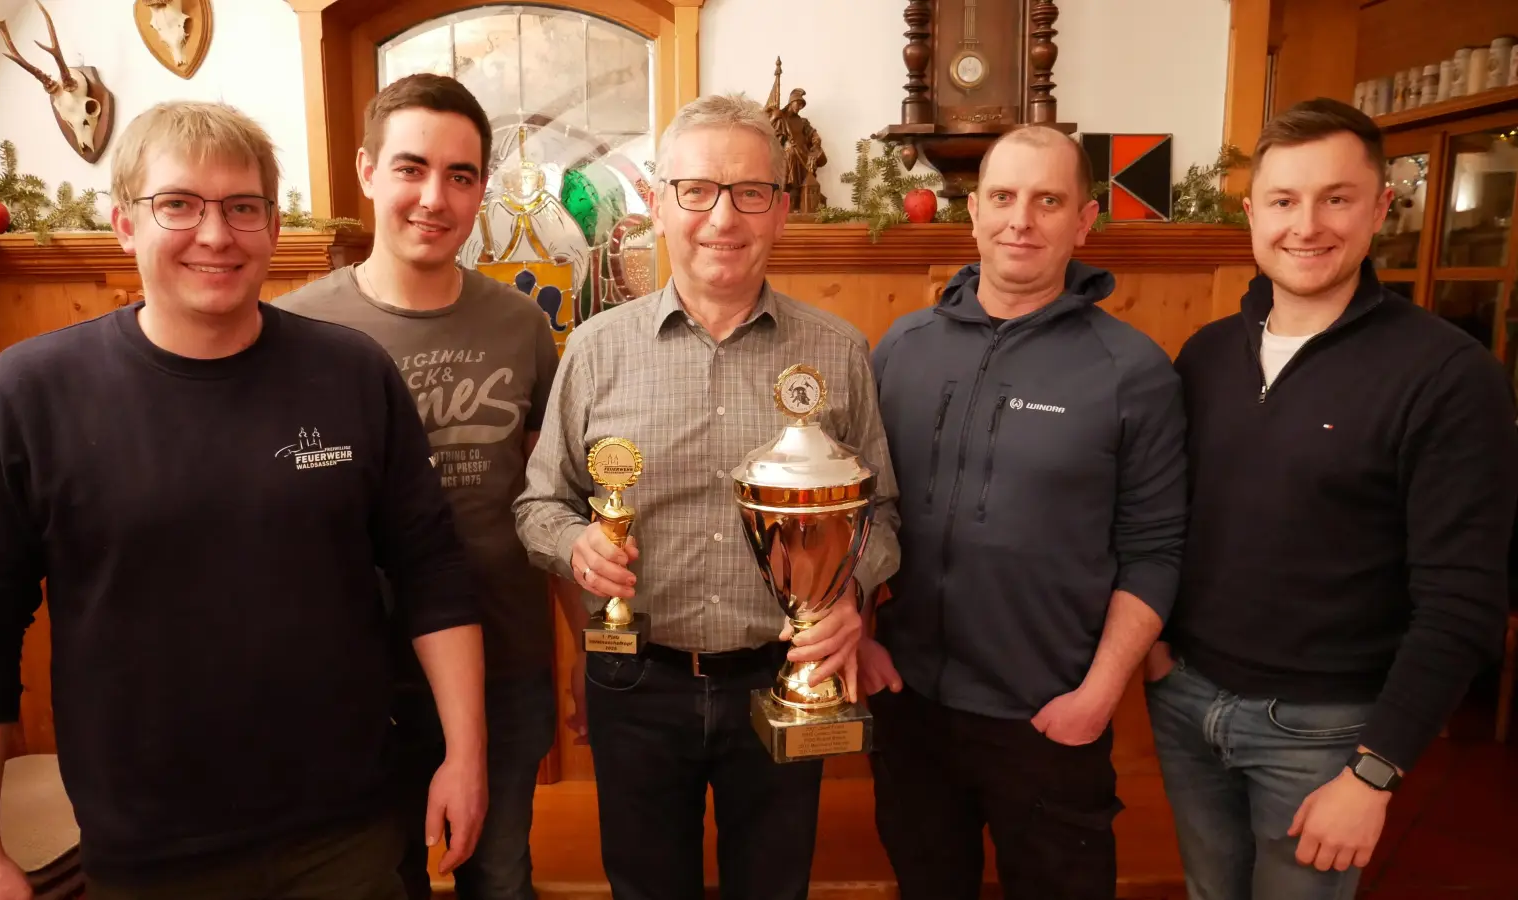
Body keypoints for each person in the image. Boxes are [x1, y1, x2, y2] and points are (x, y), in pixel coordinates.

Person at [0, 100, 486, 900]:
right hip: (145, 850)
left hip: (348, 833)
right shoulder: (28, 393)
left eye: (242, 207)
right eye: (178, 205)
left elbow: (433, 571)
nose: (215, 235)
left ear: (271, 223)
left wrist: (465, 754)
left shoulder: (352, 373)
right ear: (124, 224)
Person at [512, 93, 900, 900]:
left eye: (749, 191)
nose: (722, 217)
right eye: (697, 190)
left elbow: (882, 516)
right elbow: (539, 504)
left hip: (786, 678)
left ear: (781, 211)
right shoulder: (594, 351)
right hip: (637, 683)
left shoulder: (838, 352)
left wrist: (849, 590)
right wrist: (574, 545)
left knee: (775, 887)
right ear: (659, 204)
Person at [1144, 97, 1518, 899]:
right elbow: (1163, 517)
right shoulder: (1206, 355)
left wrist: (1374, 773)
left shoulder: (1449, 377)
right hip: (1187, 701)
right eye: (1284, 200)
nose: (1306, 225)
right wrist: (1157, 652)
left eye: (1336, 198)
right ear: (1252, 213)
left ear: (1381, 206)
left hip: (1328, 732)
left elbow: (1465, 600)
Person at [859, 125, 1188, 900]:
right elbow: (863, 511)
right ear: (972, 213)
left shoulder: (1132, 370)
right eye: (1003, 198)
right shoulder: (902, 347)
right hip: (909, 705)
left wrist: (1098, 697)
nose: (1021, 220)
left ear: (1084, 221)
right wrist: (865, 638)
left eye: (1048, 201)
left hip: (1048, 718)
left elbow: (1157, 548)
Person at [275, 73, 572, 900]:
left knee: (500, 875)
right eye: (411, 168)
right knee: (375, 881)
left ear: (481, 189)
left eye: (461, 175)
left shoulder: (521, 325)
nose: (434, 197)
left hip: (505, 663)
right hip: (351, 674)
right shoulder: (297, 331)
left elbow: (556, 502)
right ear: (368, 171)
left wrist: (586, 650)